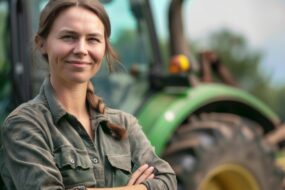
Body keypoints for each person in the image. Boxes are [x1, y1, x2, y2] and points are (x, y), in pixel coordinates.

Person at [0, 0, 177, 189]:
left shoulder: (124, 125)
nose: (81, 50)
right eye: (68, 37)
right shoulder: (24, 125)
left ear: (105, 47)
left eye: (93, 39)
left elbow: (167, 181)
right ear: (41, 43)